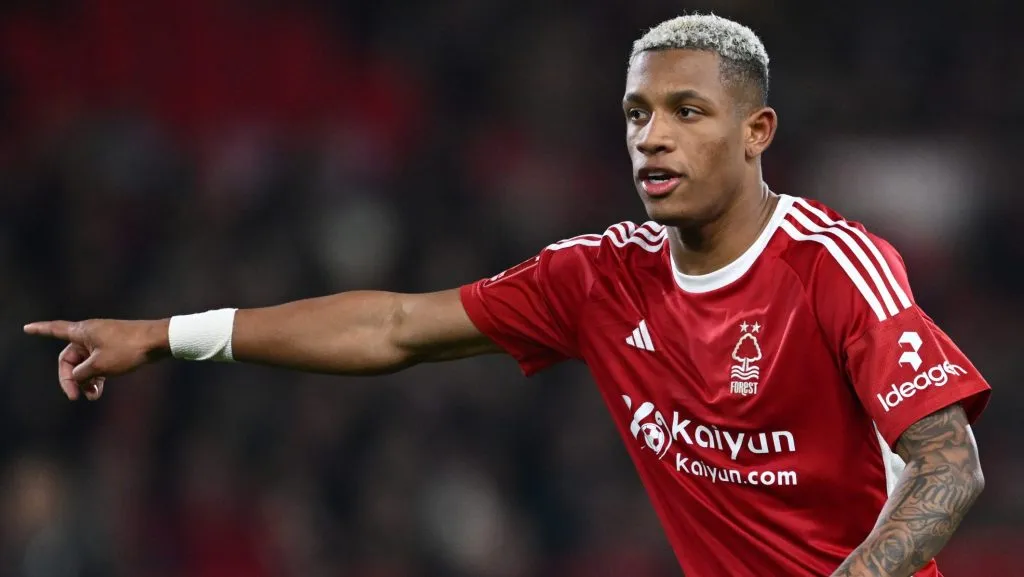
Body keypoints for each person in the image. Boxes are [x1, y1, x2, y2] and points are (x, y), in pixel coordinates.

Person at [23, 14, 990, 577]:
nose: (652, 136)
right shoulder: (599, 276)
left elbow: (950, 463)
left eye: (687, 112)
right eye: (637, 113)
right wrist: (163, 334)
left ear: (756, 130)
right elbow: (393, 325)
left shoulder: (833, 267)